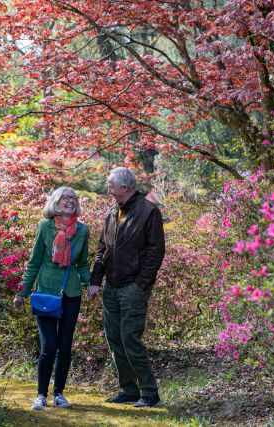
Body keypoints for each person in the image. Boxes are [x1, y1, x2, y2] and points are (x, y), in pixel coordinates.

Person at [89, 167, 165, 408]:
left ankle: (149, 393)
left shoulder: (148, 211)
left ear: (125, 187)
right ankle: (128, 390)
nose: (108, 188)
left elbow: (156, 251)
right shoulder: (112, 213)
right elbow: (103, 248)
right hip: (111, 286)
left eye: (111, 184)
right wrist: (95, 280)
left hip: (133, 287)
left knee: (130, 339)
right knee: (115, 340)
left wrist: (141, 284)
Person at [14, 187, 92, 410]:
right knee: (49, 346)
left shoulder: (83, 230)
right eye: (65, 197)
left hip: (71, 293)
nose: (70, 201)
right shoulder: (44, 227)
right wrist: (23, 292)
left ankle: (59, 394)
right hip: (47, 292)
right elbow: (34, 262)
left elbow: (83, 263)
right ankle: (41, 395)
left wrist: (90, 284)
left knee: (65, 345)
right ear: (56, 202)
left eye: (74, 198)